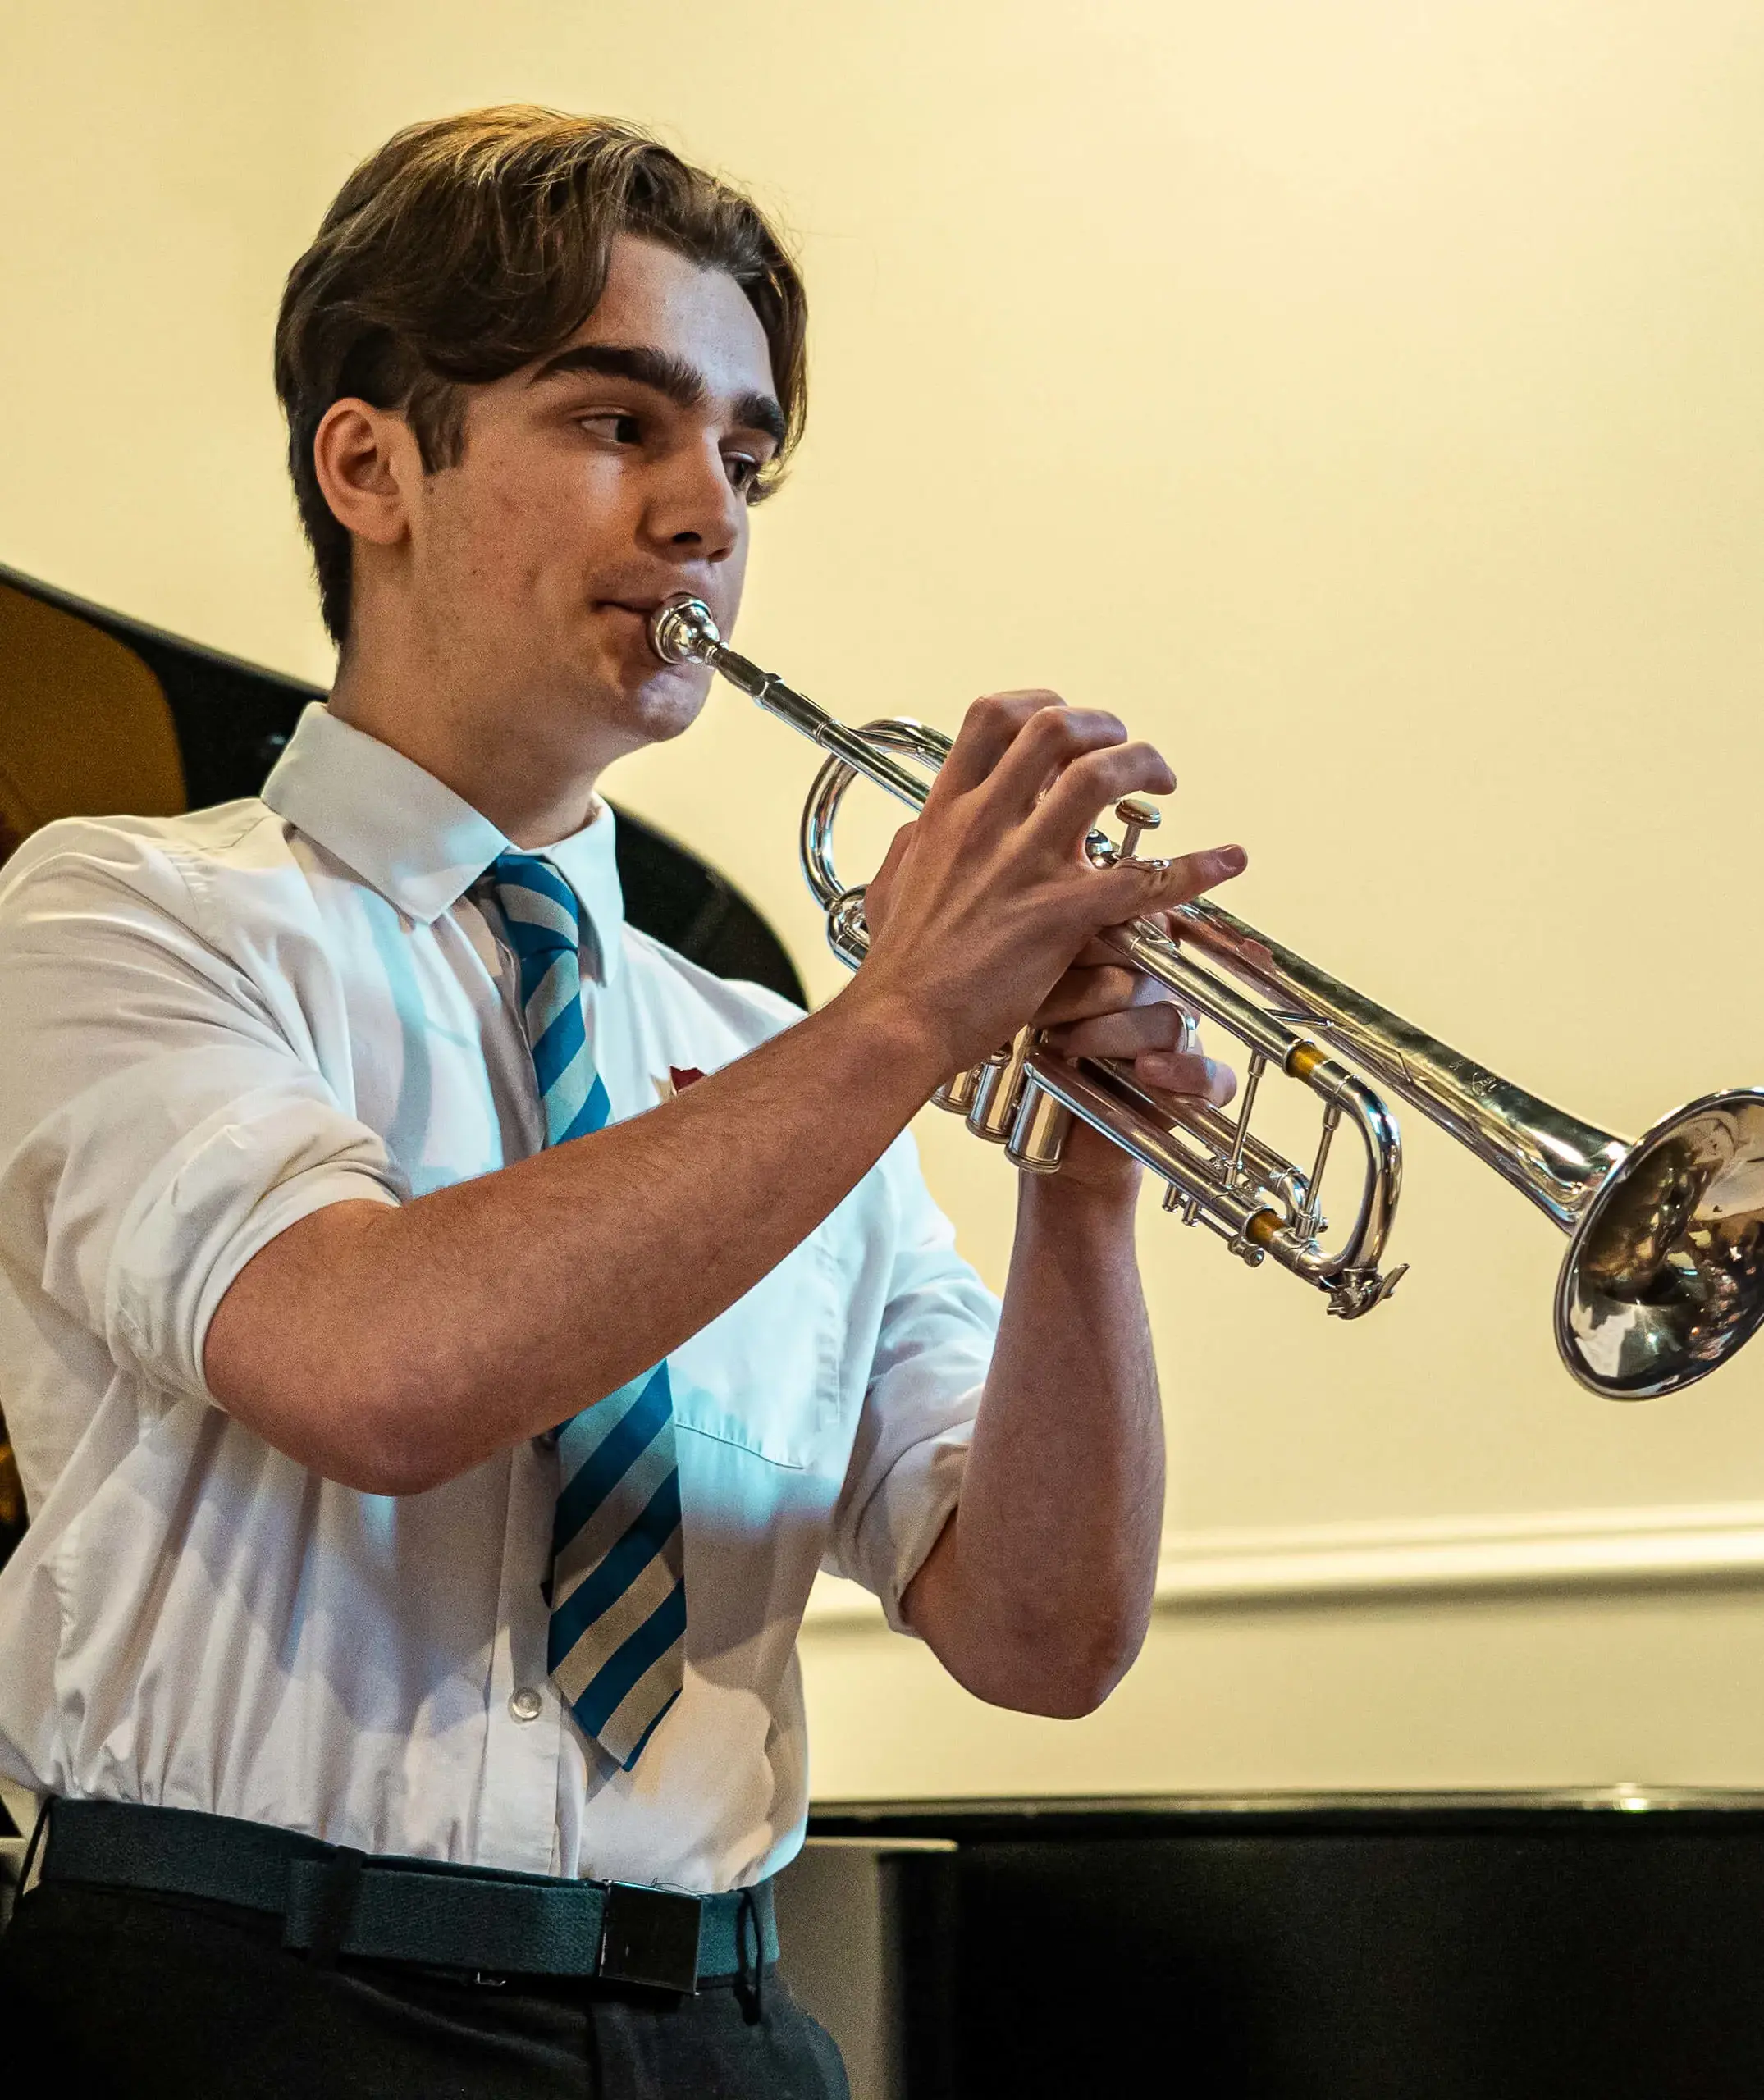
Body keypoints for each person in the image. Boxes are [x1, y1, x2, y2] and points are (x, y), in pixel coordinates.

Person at [0, 107, 1246, 2096]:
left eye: (744, 456)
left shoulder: (770, 1049)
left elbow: (1039, 1634)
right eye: (617, 423)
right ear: (370, 466)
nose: (704, 516)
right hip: (248, 2006)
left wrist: (1078, 1187)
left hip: (721, 2021)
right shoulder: (120, 912)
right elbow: (376, 1368)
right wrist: (905, 1017)